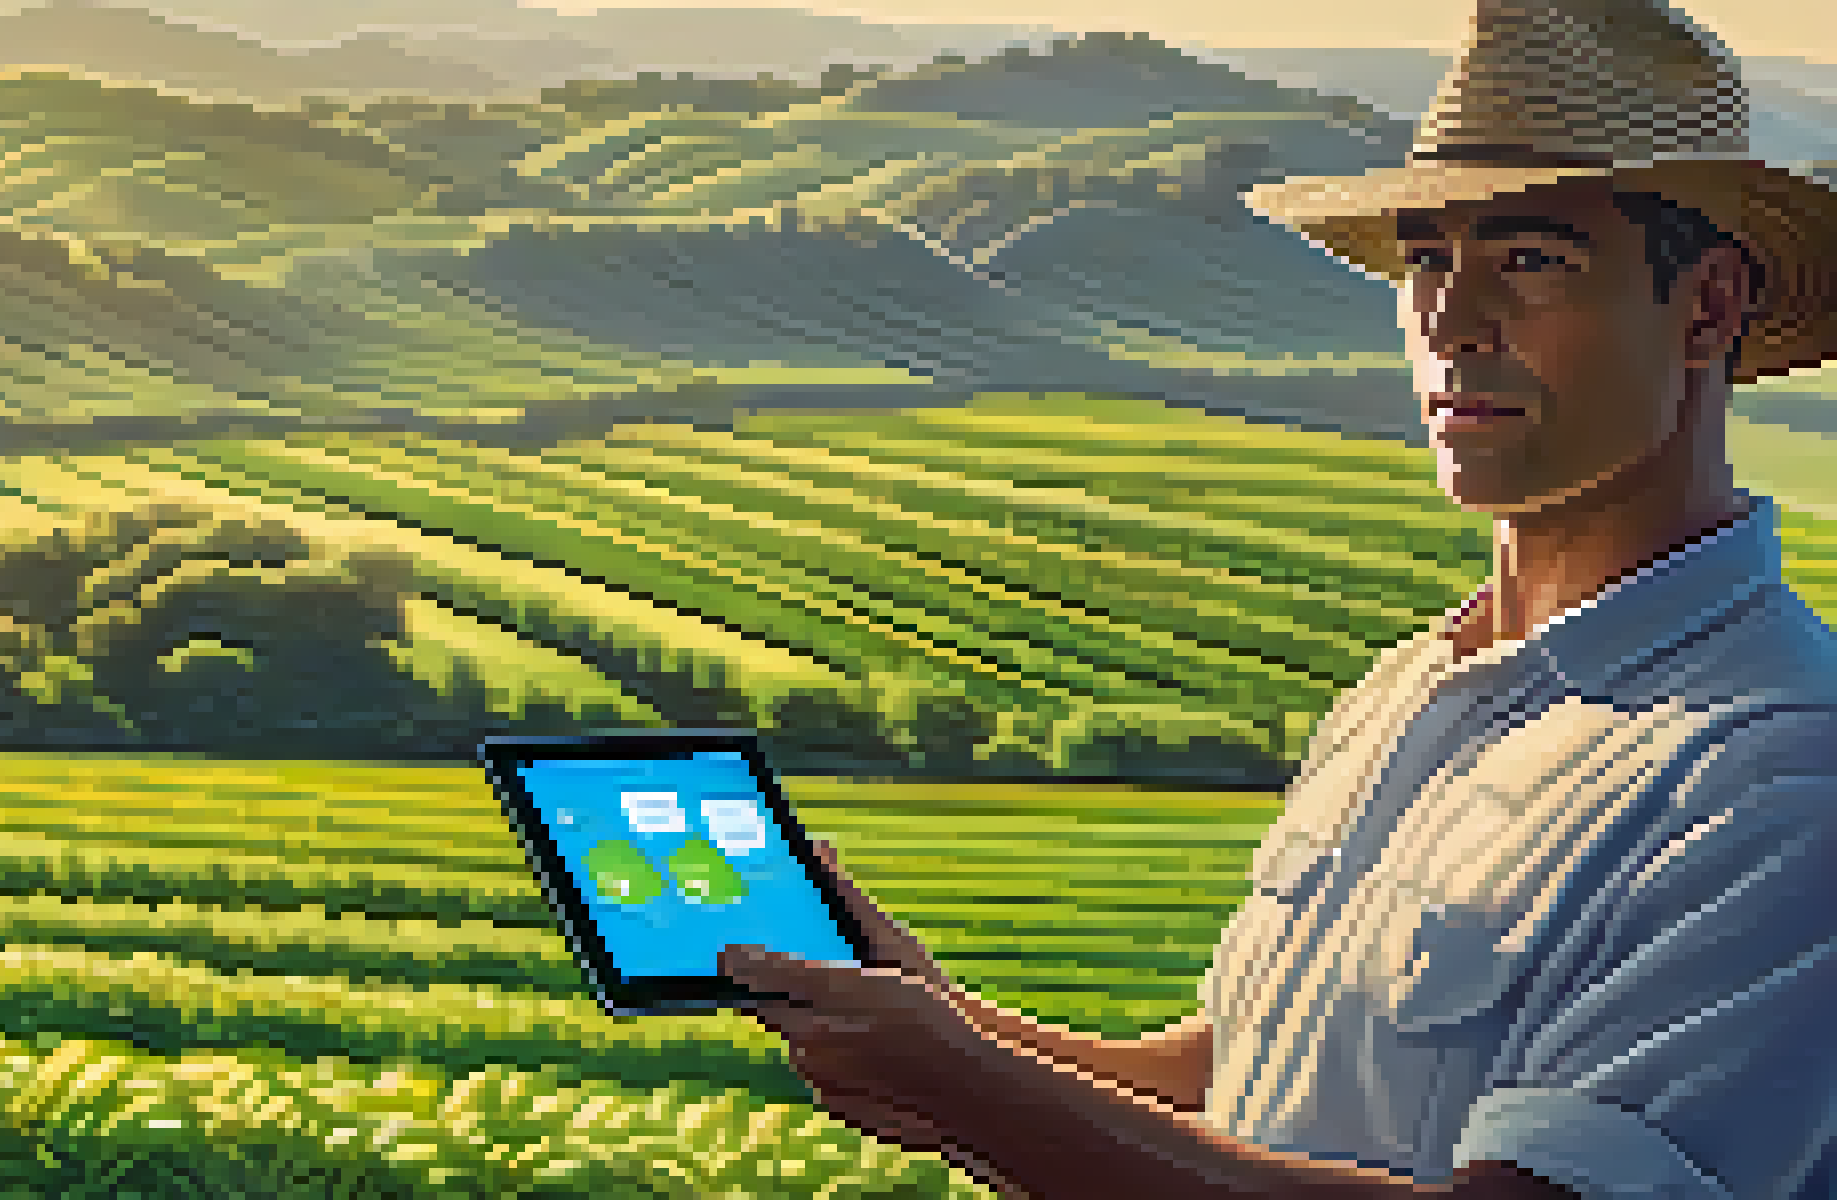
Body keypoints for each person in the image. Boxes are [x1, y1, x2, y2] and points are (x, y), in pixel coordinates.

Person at [721, 1, 1837, 1196]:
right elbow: (1234, 1085)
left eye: (1529, 261)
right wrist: (946, 1026)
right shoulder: (1416, 685)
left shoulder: (1780, 772)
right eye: (1425, 262)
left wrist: (968, 1093)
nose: (1451, 324)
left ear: (1709, 307)